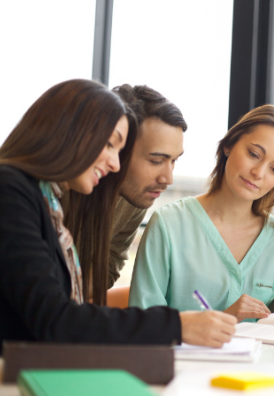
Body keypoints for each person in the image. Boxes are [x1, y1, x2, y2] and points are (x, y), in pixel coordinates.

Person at [0, 79, 236, 356]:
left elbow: (61, 311)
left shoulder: (44, 198)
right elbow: (57, 320)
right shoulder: (10, 190)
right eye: (110, 145)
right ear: (69, 134)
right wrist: (176, 324)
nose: (114, 163)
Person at [129, 104, 274, 321]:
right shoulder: (169, 224)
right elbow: (143, 326)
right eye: (253, 154)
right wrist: (226, 317)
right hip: (182, 356)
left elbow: (261, 318)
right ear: (228, 146)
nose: (258, 173)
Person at [62, 84, 187, 300]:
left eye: (174, 160)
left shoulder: (136, 196)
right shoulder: (48, 192)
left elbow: (107, 268)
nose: (167, 178)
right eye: (156, 160)